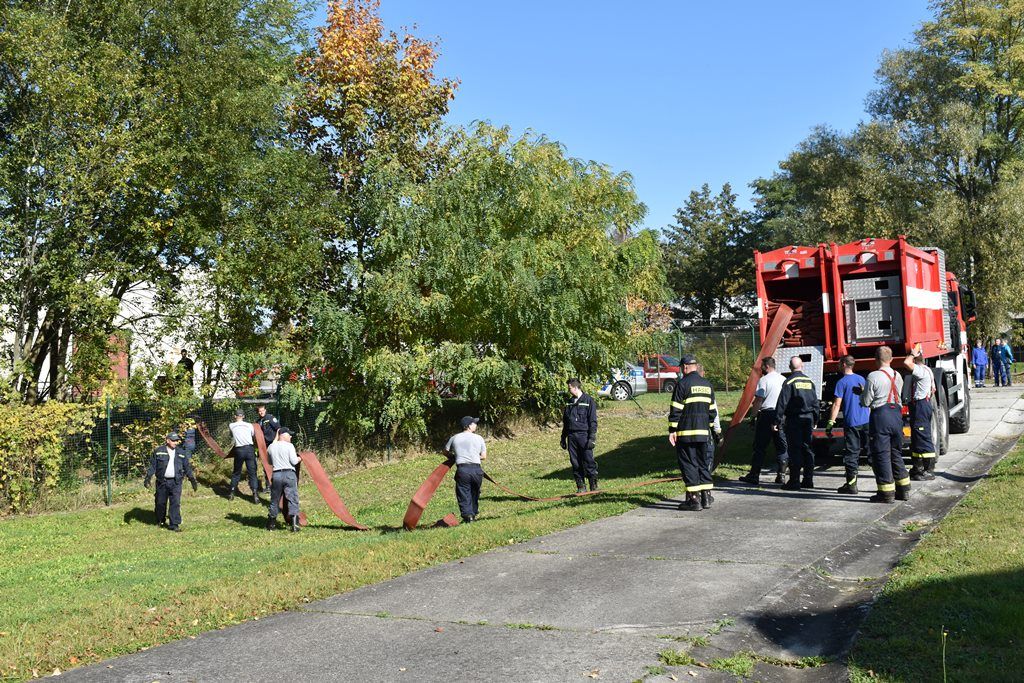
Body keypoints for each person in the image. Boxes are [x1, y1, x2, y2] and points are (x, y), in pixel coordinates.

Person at [667, 354, 720, 511]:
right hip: (704, 433)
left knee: (689, 464)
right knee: (703, 464)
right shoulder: (707, 385)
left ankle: (693, 500)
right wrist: (711, 429)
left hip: (686, 434)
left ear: (684, 367)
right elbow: (712, 412)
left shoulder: (682, 384)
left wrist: (672, 430)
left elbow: (675, 409)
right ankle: (706, 497)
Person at [860, 346, 909, 504]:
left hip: (881, 417)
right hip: (896, 416)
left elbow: (866, 401)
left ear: (876, 359)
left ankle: (886, 494)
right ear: (891, 359)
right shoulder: (898, 375)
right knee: (895, 453)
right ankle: (903, 489)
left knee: (881, 455)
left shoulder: (873, 376)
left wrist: (861, 394)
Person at [739, 356, 788, 486]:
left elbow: (759, 400)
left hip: (767, 415)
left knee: (760, 446)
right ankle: (781, 475)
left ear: (766, 366)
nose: (761, 369)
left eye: (762, 366)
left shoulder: (764, 380)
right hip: (781, 415)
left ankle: (754, 475)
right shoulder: (783, 379)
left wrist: (753, 416)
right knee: (781, 446)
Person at [826, 355, 870, 494]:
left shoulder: (841, 382)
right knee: (872, 451)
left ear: (844, 364)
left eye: (840, 363)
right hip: (866, 421)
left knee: (852, 453)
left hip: (852, 422)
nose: (838, 365)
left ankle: (851, 485)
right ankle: (885, 481)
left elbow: (837, 404)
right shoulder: (861, 379)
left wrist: (830, 424)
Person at [775, 357, 820, 491]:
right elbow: (815, 403)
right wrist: (816, 420)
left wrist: (776, 420)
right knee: (807, 449)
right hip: (808, 419)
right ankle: (808, 480)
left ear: (790, 367)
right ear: (802, 366)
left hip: (795, 419)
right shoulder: (810, 381)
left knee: (795, 449)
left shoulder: (789, 382)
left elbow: (782, 403)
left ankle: (794, 481)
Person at [144, 432, 198, 532]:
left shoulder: (181, 452)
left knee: (175, 503)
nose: (175, 442)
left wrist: (192, 480)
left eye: (176, 440)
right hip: (162, 482)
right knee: (160, 502)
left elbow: (187, 467)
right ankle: (160, 519)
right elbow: (153, 466)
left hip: (176, 482)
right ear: (167, 440)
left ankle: (174, 524)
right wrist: (148, 478)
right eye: (173, 440)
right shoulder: (158, 451)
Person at [444, 416, 488, 523]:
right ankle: (473, 513)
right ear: (468, 426)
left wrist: (454, 457)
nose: (476, 425)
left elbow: (445, 451)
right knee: (475, 492)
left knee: (463, 492)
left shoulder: (454, 438)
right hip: (477, 470)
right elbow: (483, 456)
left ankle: (468, 516)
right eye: (474, 423)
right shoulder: (479, 438)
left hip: (463, 470)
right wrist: (474, 456)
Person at [904, 349, 937, 481]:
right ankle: (918, 468)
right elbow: (933, 390)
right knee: (917, 437)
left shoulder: (921, 371)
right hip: (921, 404)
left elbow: (906, 363)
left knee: (923, 436)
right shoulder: (928, 370)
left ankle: (928, 470)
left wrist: (911, 355)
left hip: (921, 405)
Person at [561, 378, 598, 493]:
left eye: (569, 388)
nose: (569, 390)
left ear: (575, 387)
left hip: (584, 436)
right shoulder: (569, 402)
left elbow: (593, 421)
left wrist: (592, 438)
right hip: (572, 437)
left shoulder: (588, 401)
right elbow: (566, 422)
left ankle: (593, 486)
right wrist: (563, 438)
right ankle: (581, 487)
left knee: (588, 461)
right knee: (575, 462)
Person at [266, 428, 302, 532]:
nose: (290, 437)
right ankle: (295, 525)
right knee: (292, 498)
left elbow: (269, 462)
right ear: (282, 435)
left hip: (277, 474)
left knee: (275, 500)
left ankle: (271, 525)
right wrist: (300, 458)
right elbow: (294, 461)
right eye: (289, 435)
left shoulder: (271, 447)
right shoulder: (289, 446)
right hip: (289, 474)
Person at [228, 409, 260, 504]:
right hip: (249, 449)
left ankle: (231, 493)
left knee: (236, 472)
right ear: (244, 416)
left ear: (235, 416)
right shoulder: (249, 425)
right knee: (252, 473)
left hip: (239, 450)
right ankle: (255, 495)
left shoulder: (231, 425)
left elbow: (231, 435)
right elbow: (253, 435)